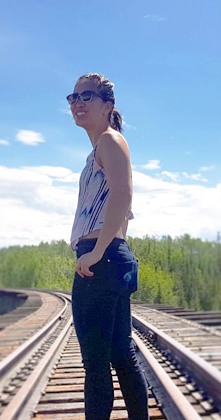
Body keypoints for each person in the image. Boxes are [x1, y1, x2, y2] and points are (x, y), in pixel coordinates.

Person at [68, 73, 149, 420]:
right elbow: (122, 204)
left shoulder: (108, 141)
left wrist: (98, 252)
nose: (78, 102)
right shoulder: (102, 146)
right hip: (111, 256)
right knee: (120, 351)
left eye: (88, 96)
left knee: (96, 362)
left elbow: (123, 194)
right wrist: (110, 248)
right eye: (73, 97)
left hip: (101, 259)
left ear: (108, 105)